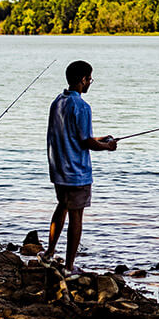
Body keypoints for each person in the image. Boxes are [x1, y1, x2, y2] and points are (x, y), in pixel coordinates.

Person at [42, 60, 117, 273]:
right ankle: (69, 267)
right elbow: (85, 142)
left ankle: (49, 254)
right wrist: (107, 146)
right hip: (77, 172)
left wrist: (101, 139)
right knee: (76, 217)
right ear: (83, 79)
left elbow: (74, 135)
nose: (90, 83)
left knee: (62, 207)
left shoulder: (58, 101)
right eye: (89, 79)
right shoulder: (82, 106)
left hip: (58, 168)